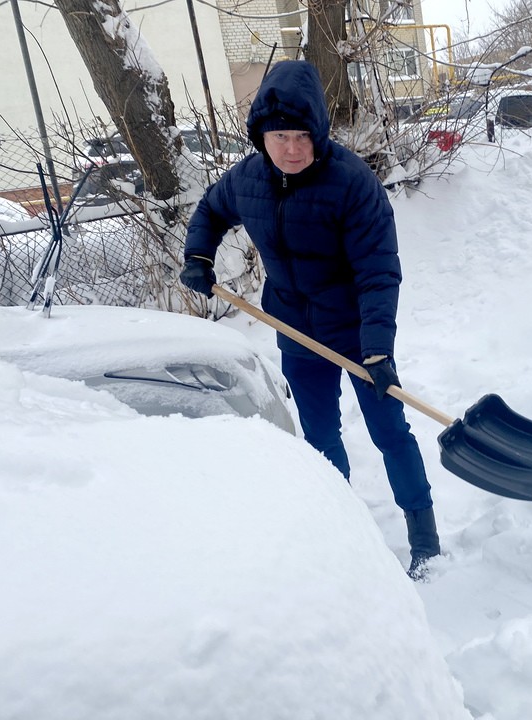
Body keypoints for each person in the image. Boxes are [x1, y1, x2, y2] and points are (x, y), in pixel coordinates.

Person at [179, 60, 440, 580]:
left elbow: (378, 271)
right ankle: (342, 533)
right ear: (262, 136)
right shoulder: (247, 180)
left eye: (303, 135)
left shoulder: (351, 183)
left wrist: (378, 350)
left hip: (354, 331)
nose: (293, 148)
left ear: (319, 132)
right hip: (296, 330)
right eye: (280, 136)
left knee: (390, 430)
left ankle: (424, 537)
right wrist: (199, 256)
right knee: (320, 438)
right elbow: (210, 209)